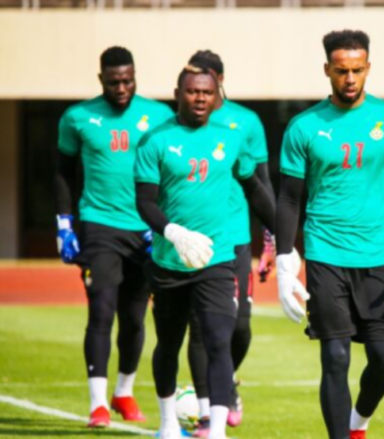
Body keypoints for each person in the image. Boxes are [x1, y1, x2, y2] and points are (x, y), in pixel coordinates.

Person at [274, 30, 384, 439]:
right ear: (327, 69)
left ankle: (358, 421)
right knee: (336, 356)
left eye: (357, 70)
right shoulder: (303, 127)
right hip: (326, 256)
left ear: (368, 68)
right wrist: (284, 262)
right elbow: (289, 199)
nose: (349, 78)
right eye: (341, 70)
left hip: (380, 257)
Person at [133, 64, 275, 439]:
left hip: (216, 258)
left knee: (217, 339)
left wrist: (281, 230)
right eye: (192, 91)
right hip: (169, 261)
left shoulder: (230, 137)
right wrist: (173, 232)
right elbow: (144, 202)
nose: (199, 98)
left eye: (206, 92)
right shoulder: (154, 141)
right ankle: (166, 424)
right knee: (169, 343)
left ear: (217, 96)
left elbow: (255, 187)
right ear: (178, 93)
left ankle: (216, 431)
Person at [54, 46, 174, 427]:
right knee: (101, 310)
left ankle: (123, 391)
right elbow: (61, 172)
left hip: (145, 229)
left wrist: (166, 224)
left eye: (128, 80)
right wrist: (63, 223)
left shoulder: (159, 116)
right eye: (113, 81)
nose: (121, 87)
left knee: (135, 318)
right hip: (99, 224)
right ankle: (97, 405)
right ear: (100, 79)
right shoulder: (77, 117)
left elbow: (171, 171)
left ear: (135, 75)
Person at [182, 50, 275, 437]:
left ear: (217, 80)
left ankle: (226, 382)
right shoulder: (176, 127)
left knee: (240, 328)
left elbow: (262, 184)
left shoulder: (245, 123)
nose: (198, 95)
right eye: (190, 87)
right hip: (190, 242)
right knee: (200, 328)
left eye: (203, 84)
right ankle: (207, 412)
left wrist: (271, 240)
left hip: (236, 240)